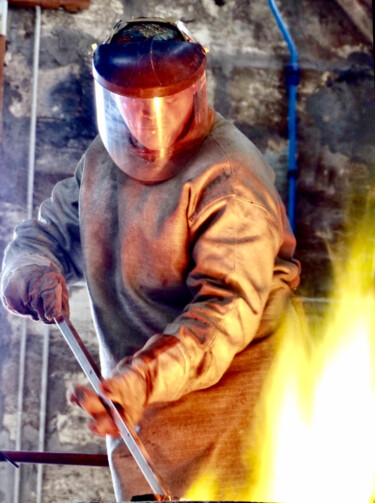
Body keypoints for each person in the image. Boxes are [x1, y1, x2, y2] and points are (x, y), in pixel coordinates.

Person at [0, 17, 300, 500]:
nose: (149, 121)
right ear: (111, 97)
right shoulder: (104, 160)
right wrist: (27, 270)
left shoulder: (229, 178)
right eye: (136, 104)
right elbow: (49, 232)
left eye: (167, 102)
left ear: (195, 90)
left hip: (239, 424)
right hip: (142, 417)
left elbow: (224, 315)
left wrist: (142, 379)